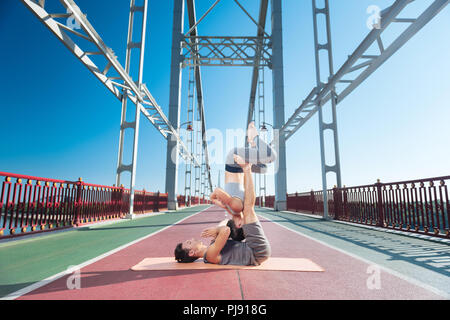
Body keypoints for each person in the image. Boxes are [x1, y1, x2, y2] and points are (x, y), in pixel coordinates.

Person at [174, 155, 271, 266]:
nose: (192, 239)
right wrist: (217, 229)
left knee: (240, 210)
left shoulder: (213, 244)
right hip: (256, 251)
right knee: (248, 209)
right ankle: (247, 168)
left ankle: (241, 169)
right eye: (189, 242)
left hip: (253, 249)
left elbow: (225, 225)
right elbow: (225, 231)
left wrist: (221, 204)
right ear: (192, 252)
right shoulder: (209, 255)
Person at [209, 122, 277, 218]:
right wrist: (217, 200)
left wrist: (218, 197)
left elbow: (216, 191)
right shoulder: (235, 210)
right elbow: (214, 197)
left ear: (239, 225)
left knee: (271, 155)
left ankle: (253, 136)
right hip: (240, 168)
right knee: (264, 169)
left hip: (233, 161)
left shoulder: (236, 208)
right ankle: (252, 143)